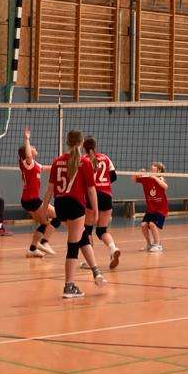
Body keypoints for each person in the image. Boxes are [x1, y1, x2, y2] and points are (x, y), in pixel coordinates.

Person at [49, 129, 103, 299]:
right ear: (81, 143)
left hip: (59, 204)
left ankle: (96, 271)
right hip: (75, 205)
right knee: (73, 245)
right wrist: (96, 211)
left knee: (81, 236)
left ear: (67, 141)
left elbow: (50, 188)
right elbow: (91, 190)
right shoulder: (84, 162)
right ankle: (69, 286)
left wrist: (44, 207)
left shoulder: (57, 161)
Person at [84, 136, 121, 270]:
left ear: (84, 148)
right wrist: (103, 182)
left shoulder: (84, 160)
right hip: (106, 195)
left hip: (92, 195)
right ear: (96, 146)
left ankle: (90, 262)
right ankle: (113, 248)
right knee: (101, 230)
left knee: (87, 229)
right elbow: (114, 176)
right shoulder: (105, 158)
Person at [17, 128, 54, 259]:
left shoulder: (34, 164)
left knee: (44, 223)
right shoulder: (28, 163)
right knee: (57, 216)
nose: (34, 147)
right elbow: (28, 156)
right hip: (31, 200)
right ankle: (44, 242)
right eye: (32, 147)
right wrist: (26, 139)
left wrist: (63, 166)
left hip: (28, 200)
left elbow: (47, 168)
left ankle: (32, 249)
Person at [133, 163, 169, 253]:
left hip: (161, 209)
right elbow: (133, 178)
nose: (152, 169)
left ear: (159, 171)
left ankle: (158, 244)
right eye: (152, 167)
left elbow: (165, 186)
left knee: (152, 224)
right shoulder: (146, 178)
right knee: (143, 225)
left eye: (155, 168)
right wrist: (139, 172)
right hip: (151, 209)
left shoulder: (160, 178)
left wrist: (154, 177)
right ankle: (149, 244)